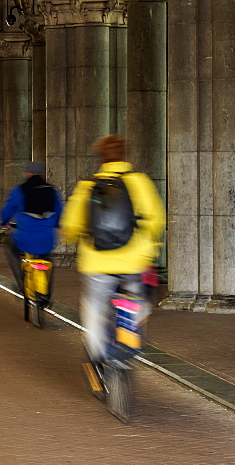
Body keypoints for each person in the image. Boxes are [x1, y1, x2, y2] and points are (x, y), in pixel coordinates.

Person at [60, 135, 165, 379]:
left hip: (97, 263)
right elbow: (156, 220)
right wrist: (150, 245)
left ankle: (98, 354)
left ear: (100, 159)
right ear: (126, 156)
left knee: (94, 308)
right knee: (138, 299)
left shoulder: (87, 187)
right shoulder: (139, 182)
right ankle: (129, 338)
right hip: (133, 260)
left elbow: (72, 226)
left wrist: (72, 236)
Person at [0, 162, 63, 304]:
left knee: (10, 247)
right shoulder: (52, 191)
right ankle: (46, 294)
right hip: (47, 238)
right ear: (43, 175)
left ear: (27, 174)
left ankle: (22, 284)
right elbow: (59, 211)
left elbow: (8, 210)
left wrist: (4, 222)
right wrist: (56, 225)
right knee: (48, 259)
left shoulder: (19, 190)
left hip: (24, 238)